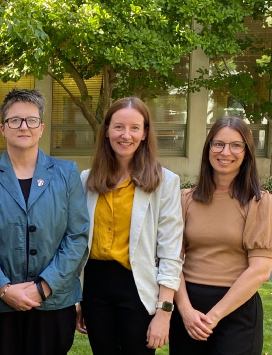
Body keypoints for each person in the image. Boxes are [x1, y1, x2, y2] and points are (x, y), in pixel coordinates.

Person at [0, 89, 89, 355]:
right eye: (15, 120)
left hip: (53, 303)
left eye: (31, 120)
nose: (23, 126)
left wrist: (42, 288)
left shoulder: (66, 174)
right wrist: (4, 289)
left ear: (41, 128)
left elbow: (76, 237)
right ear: (3, 128)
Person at [76, 97, 183, 353]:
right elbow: (77, 241)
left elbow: (171, 251)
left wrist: (164, 312)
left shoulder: (164, 182)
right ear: (107, 132)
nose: (126, 135)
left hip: (139, 288)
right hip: (95, 286)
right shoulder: (87, 180)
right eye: (118, 127)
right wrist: (77, 298)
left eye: (135, 128)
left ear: (145, 133)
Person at [170, 116, 272, 355]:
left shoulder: (260, 203)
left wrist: (215, 316)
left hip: (236, 312)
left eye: (236, 145)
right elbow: (171, 260)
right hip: (187, 309)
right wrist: (186, 311)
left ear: (247, 152)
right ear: (208, 148)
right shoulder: (185, 199)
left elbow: (260, 270)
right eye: (218, 144)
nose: (225, 152)